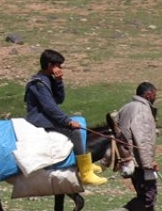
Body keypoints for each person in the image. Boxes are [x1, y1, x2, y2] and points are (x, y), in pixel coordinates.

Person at [24, 49, 107, 186]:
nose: (60, 68)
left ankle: (85, 162)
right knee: (74, 130)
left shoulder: (48, 80)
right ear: (50, 65)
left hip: (45, 116)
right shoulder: (38, 83)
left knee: (80, 122)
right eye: (58, 65)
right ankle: (85, 172)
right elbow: (50, 107)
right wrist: (67, 121)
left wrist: (59, 81)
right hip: (39, 120)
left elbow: (59, 99)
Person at [107, 82, 161, 211]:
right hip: (139, 159)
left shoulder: (126, 107)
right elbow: (143, 139)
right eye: (155, 94)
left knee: (147, 190)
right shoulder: (142, 109)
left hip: (129, 158)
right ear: (148, 94)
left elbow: (117, 132)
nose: (155, 97)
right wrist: (148, 163)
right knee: (148, 195)